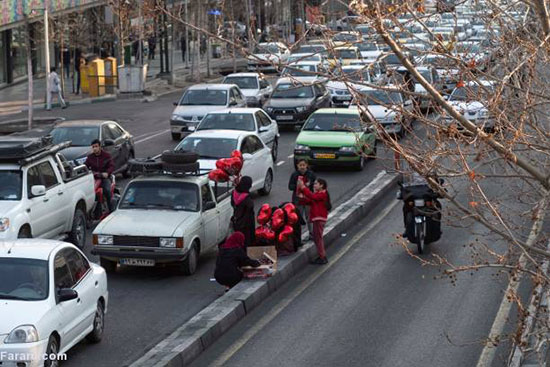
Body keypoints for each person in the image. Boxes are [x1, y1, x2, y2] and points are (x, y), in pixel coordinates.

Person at [298, 178, 331, 265]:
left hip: (319, 219)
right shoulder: (319, 194)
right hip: (317, 219)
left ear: (321, 185)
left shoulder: (323, 194)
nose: (314, 185)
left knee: (318, 239)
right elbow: (310, 201)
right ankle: (321, 255)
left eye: (316, 184)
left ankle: (322, 257)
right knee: (317, 239)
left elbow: (312, 197)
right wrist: (302, 198)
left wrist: (303, 188)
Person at [85, 139, 115, 212]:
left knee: (107, 191)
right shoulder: (90, 157)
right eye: (93, 147)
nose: (94, 148)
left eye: (96, 146)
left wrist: (107, 173)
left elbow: (112, 166)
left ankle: (111, 210)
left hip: (104, 178)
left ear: (100, 147)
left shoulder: (107, 156)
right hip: (94, 178)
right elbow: (85, 166)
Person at [288, 159, 316, 239]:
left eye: (303, 165)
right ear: (297, 166)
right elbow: (290, 187)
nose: (302, 167)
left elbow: (316, 185)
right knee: (297, 219)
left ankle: (312, 234)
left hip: (308, 200)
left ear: (307, 165)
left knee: (310, 218)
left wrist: (309, 185)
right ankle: (298, 237)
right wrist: (297, 186)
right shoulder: (294, 175)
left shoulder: (311, 174)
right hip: (298, 201)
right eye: (300, 165)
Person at [231, 176, 256, 247]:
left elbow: (233, 204)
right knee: (246, 243)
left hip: (236, 222)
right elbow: (249, 213)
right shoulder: (247, 199)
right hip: (246, 226)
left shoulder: (234, 193)